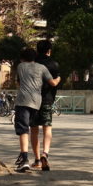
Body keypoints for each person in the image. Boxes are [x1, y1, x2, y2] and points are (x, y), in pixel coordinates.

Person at [12, 47, 58, 173]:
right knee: (40, 128)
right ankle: (43, 155)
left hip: (23, 101)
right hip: (37, 103)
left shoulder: (20, 66)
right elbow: (53, 83)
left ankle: (25, 159)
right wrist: (59, 78)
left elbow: (19, 83)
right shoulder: (42, 68)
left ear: (22, 58)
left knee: (23, 130)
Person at [31, 39, 60, 171]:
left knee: (34, 129)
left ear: (37, 50)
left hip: (32, 100)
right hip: (47, 99)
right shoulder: (54, 64)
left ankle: (37, 159)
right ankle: (45, 153)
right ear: (49, 50)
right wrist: (59, 79)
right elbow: (54, 81)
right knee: (47, 128)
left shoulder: (31, 63)